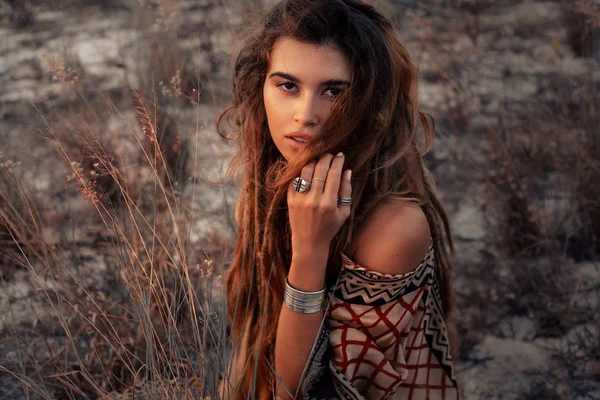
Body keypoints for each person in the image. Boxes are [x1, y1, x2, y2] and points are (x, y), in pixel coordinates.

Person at [216, 0, 460, 398]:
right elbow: (255, 343)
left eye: (333, 91)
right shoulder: (278, 171)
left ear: (369, 102)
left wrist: (310, 248)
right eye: (288, 85)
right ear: (262, 84)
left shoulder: (394, 226)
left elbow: (295, 387)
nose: (305, 115)